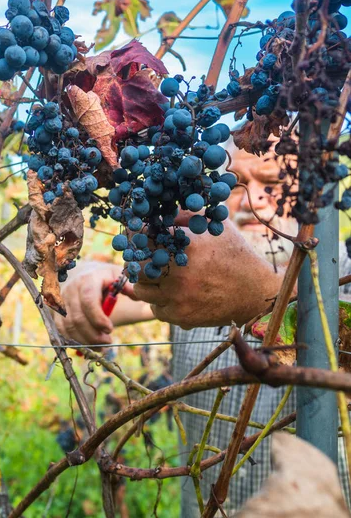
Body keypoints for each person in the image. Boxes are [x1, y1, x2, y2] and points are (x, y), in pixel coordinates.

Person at [55, 141, 351, 515]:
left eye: (273, 184)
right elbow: (108, 296)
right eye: (235, 183)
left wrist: (260, 292)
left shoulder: (346, 267)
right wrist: (81, 281)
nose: (254, 200)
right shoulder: (190, 277)